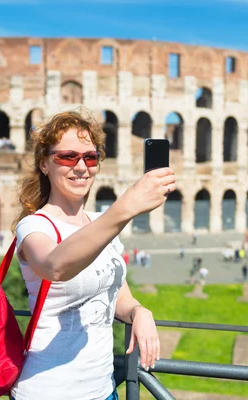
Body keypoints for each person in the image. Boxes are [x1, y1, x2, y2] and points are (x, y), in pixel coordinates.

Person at [11, 111, 174, 400]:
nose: (81, 167)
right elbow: (55, 266)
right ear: (44, 164)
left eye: (90, 157)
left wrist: (138, 311)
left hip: (103, 390)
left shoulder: (100, 223)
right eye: (67, 157)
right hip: (47, 391)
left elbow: (118, 297)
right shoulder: (34, 226)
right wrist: (125, 208)